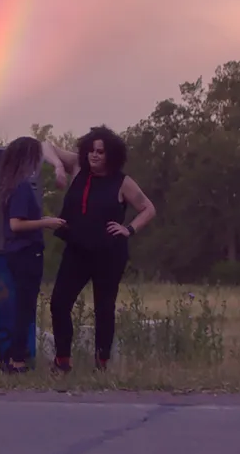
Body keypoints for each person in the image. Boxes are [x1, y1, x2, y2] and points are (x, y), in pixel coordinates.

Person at [41, 126, 156, 373]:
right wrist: (59, 167)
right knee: (59, 303)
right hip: (77, 250)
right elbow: (45, 145)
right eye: (92, 150)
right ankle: (62, 361)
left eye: (101, 152)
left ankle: (101, 363)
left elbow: (148, 208)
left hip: (109, 253)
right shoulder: (78, 167)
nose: (94, 155)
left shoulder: (122, 182)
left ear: (111, 155)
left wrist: (130, 229)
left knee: (104, 307)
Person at [0, 136, 66, 373]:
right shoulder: (22, 186)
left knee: (22, 305)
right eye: (36, 157)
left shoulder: (9, 184)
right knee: (25, 307)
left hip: (15, 253)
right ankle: (17, 361)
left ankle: (16, 357)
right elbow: (16, 224)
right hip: (26, 253)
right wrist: (46, 223)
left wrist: (42, 220)